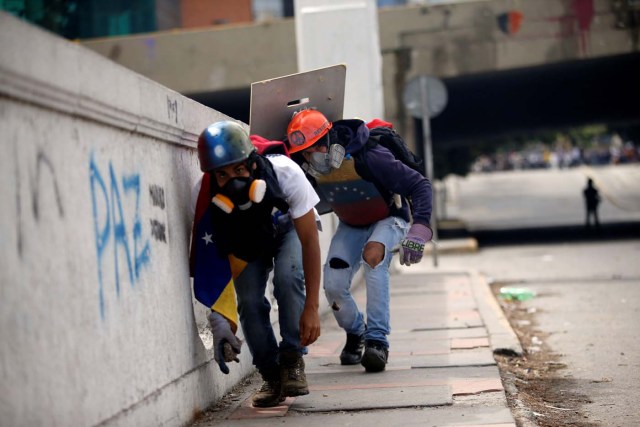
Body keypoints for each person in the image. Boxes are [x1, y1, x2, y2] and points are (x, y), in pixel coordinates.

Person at [285, 109, 433, 373]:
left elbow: (419, 185)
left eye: (317, 147)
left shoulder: (371, 156)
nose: (313, 157)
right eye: (306, 153)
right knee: (333, 283)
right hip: (351, 224)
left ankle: (377, 341)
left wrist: (419, 230)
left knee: (373, 257)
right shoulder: (304, 171)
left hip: (389, 218)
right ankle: (356, 333)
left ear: (330, 139)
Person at [191, 120, 322, 407]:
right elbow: (211, 261)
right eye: (223, 175)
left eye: (239, 170)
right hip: (248, 242)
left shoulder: (286, 174)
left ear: (253, 163)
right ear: (213, 177)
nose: (233, 180)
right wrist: (219, 318)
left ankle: (292, 359)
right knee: (249, 301)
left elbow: (310, 242)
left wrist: (311, 307)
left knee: (288, 278)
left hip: (288, 231)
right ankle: (271, 372)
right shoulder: (208, 200)